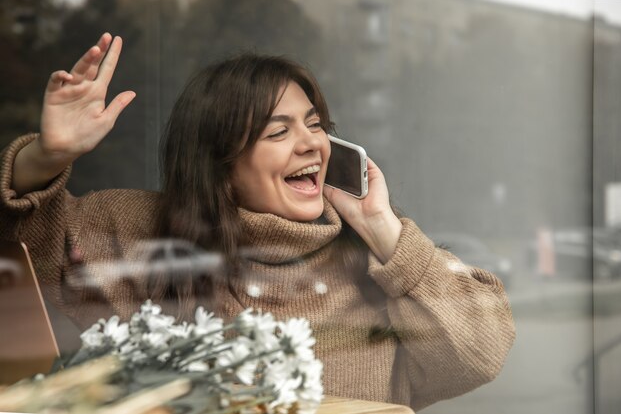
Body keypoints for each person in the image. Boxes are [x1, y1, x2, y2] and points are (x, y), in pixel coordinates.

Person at [0, 33, 515, 411]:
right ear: (220, 164)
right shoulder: (138, 229)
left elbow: (482, 351)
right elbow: (22, 255)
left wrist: (382, 226)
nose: (311, 143)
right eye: (278, 132)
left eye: (315, 124)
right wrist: (45, 158)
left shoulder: (376, 255)